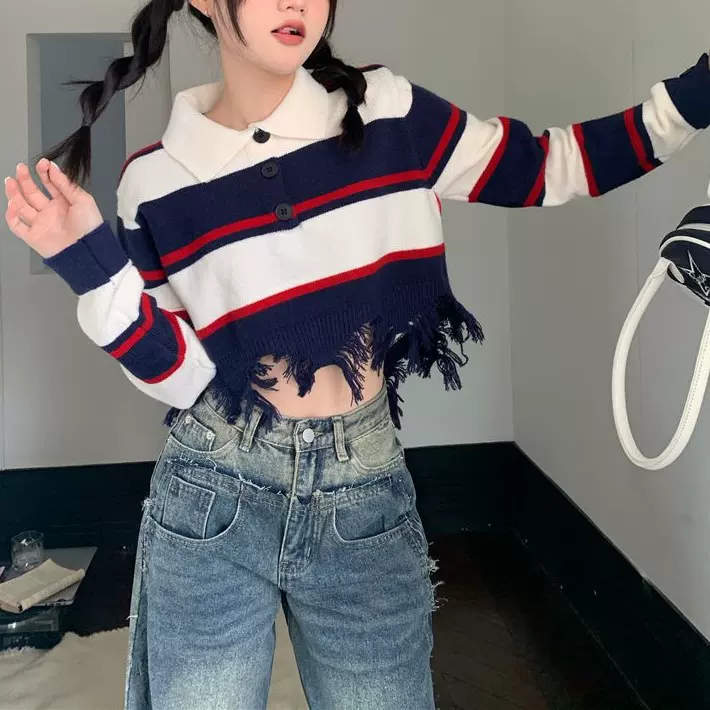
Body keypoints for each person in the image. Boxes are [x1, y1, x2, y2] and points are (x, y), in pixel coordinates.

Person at [4, 0, 710, 707]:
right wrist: (92, 268)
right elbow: (185, 376)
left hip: (362, 484)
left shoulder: (387, 113)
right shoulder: (154, 182)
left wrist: (694, 96)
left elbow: (548, 166)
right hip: (214, 488)